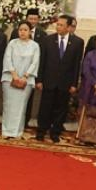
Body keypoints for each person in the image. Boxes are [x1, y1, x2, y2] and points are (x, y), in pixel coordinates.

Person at [35, 15, 84, 143]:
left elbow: (76, 65)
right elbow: (42, 62)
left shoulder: (78, 42)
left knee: (61, 108)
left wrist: (74, 84)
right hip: (48, 81)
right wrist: (39, 80)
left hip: (65, 83)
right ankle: (41, 131)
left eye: (61, 25)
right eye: (57, 24)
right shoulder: (47, 40)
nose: (58, 27)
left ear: (68, 27)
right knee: (45, 107)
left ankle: (55, 132)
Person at [1, 22, 40, 139]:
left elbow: (35, 62)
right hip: (10, 79)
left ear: (29, 32)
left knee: (21, 106)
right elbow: (7, 59)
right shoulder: (12, 43)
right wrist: (14, 75)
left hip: (26, 81)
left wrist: (25, 76)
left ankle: (17, 132)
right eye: (20, 30)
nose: (22, 32)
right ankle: (6, 131)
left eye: (25, 30)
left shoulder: (35, 46)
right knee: (8, 105)